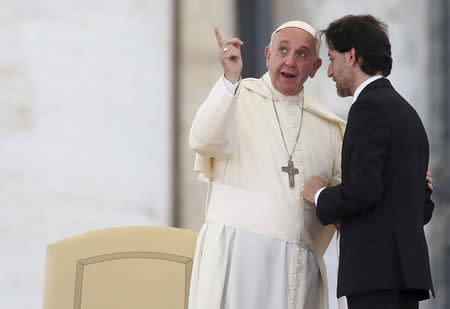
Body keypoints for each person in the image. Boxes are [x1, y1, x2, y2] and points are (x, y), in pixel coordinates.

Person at [188, 21, 346, 309]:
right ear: (267, 56)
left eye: (301, 54)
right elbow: (202, 140)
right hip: (237, 261)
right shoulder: (236, 96)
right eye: (282, 50)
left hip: (299, 270)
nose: (289, 61)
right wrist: (229, 77)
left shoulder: (331, 128)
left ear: (315, 66)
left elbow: (350, 201)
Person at [301, 15, 435, 309]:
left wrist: (320, 194)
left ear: (351, 56)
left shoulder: (368, 109)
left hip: (374, 271)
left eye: (333, 59)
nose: (329, 71)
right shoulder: (408, 113)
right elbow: (421, 210)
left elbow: (364, 190)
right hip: (403, 274)